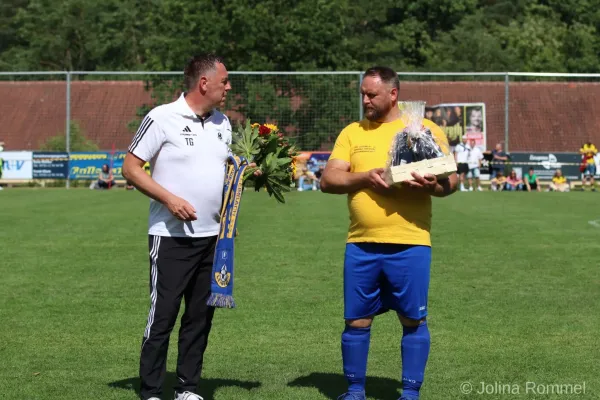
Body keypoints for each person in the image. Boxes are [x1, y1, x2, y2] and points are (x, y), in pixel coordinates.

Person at [320, 66, 458, 400]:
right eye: (363, 94)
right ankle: (354, 392)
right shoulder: (353, 132)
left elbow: (451, 181)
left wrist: (431, 186)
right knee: (356, 321)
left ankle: (409, 394)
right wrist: (365, 177)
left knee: (412, 320)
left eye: (371, 94)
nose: (365, 100)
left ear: (393, 94)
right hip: (361, 245)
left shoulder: (422, 129)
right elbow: (328, 180)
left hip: (410, 244)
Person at [122, 53, 237, 400]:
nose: (229, 87)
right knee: (163, 317)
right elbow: (131, 168)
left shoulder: (224, 123)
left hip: (213, 239)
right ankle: (152, 391)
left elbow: (226, 173)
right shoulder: (162, 118)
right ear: (204, 83)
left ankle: (188, 388)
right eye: (224, 81)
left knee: (200, 318)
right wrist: (170, 199)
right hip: (170, 237)